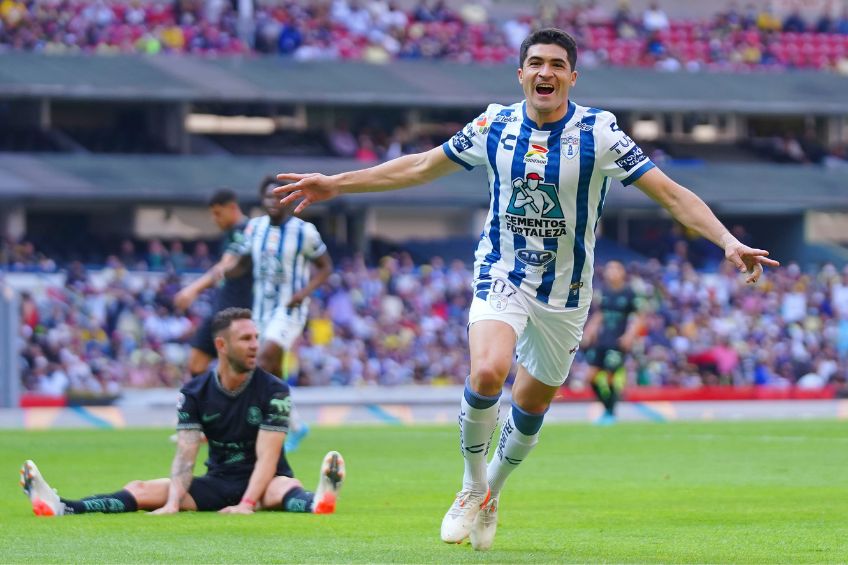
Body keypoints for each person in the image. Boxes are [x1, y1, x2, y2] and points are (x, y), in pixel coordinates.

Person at [274, 28, 779, 551]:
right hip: (502, 274)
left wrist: (725, 239)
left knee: (530, 403)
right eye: (536, 63)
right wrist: (337, 182)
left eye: (557, 65)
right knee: (488, 370)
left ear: (572, 77)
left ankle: (492, 490)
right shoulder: (494, 125)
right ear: (520, 74)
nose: (546, 72)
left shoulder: (599, 133)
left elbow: (671, 195)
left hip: (566, 293)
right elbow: (423, 165)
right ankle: (471, 487)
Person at [20, 308, 345, 517]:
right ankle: (65, 507)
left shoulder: (275, 389)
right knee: (143, 490)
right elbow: (186, 454)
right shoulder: (194, 392)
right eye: (245, 339)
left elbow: (268, 458)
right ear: (221, 345)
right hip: (218, 482)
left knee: (283, 489)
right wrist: (173, 503)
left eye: (256, 338)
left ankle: (318, 502)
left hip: (266, 481)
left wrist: (246, 504)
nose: (255, 346)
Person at [226, 177, 333, 451]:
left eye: (278, 197)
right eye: (268, 198)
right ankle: (296, 425)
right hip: (261, 309)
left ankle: (260, 425)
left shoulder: (304, 231)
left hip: (290, 309)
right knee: (272, 372)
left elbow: (324, 267)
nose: (272, 203)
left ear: (288, 200)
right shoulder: (254, 228)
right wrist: (225, 271)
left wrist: (303, 292)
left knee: (261, 361)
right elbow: (242, 262)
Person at [174, 189, 253, 378]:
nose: (214, 219)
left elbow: (226, 263)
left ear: (232, 208)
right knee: (196, 363)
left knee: (235, 372)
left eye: (218, 213)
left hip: (237, 312)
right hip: (220, 310)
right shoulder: (230, 233)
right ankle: (209, 405)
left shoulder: (244, 230)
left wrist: (192, 289)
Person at [581, 260, 643, 425]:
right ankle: (608, 408)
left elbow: (639, 317)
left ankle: (610, 413)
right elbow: (599, 315)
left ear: (622, 272)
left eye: (615, 269)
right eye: (609, 269)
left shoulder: (630, 293)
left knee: (609, 377)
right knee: (590, 377)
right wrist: (588, 333)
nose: (611, 272)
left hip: (618, 342)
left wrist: (630, 335)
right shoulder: (603, 292)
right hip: (602, 341)